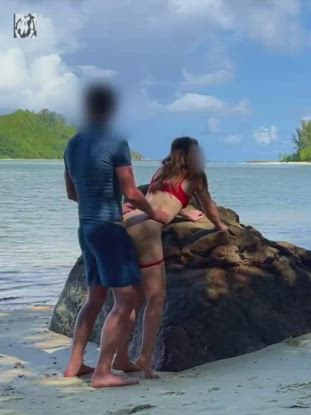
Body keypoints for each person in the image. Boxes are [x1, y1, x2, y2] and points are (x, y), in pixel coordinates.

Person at [62, 84, 170, 388]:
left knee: (95, 298)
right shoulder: (116, 142)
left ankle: (75, 365)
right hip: (109, 229)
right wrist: (154, 213)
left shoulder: (72, 145)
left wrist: (97, 198)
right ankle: (102, 372)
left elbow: (72, 193)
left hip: (86, 229)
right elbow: (132, 192)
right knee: (126, 300)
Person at [114, 137, 228, 379]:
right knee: (156, 298)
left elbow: (160, 197)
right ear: (189, 154)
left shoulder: (162, 171)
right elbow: (208, 205)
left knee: (131, 299)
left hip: (127, 223)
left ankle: (121, 356)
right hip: (147, 231)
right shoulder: (196, 175)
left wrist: (184, 211)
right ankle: (144, 358)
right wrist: (221, 226)